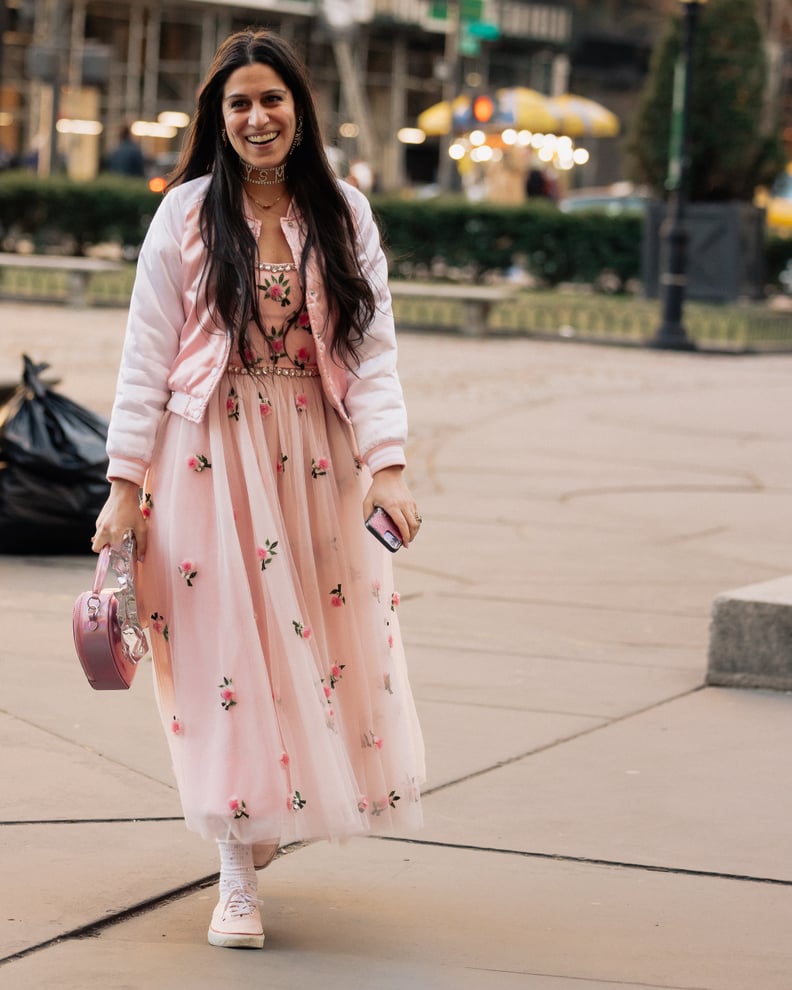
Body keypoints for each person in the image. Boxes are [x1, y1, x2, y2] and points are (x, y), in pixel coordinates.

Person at [92, 29, 425, 950]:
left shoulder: (344, 211)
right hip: (205, 454)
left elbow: (370, 348)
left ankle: (263, 812)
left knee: (312, 649)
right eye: (238, 103)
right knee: (223, 661)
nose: (256, 117)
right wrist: (125, 485)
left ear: (300, 108)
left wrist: (385, 465)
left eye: (270, 99)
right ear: (218, 117)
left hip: (314, 459)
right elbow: (145, 355)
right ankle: (235, 874)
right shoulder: (187, 213)